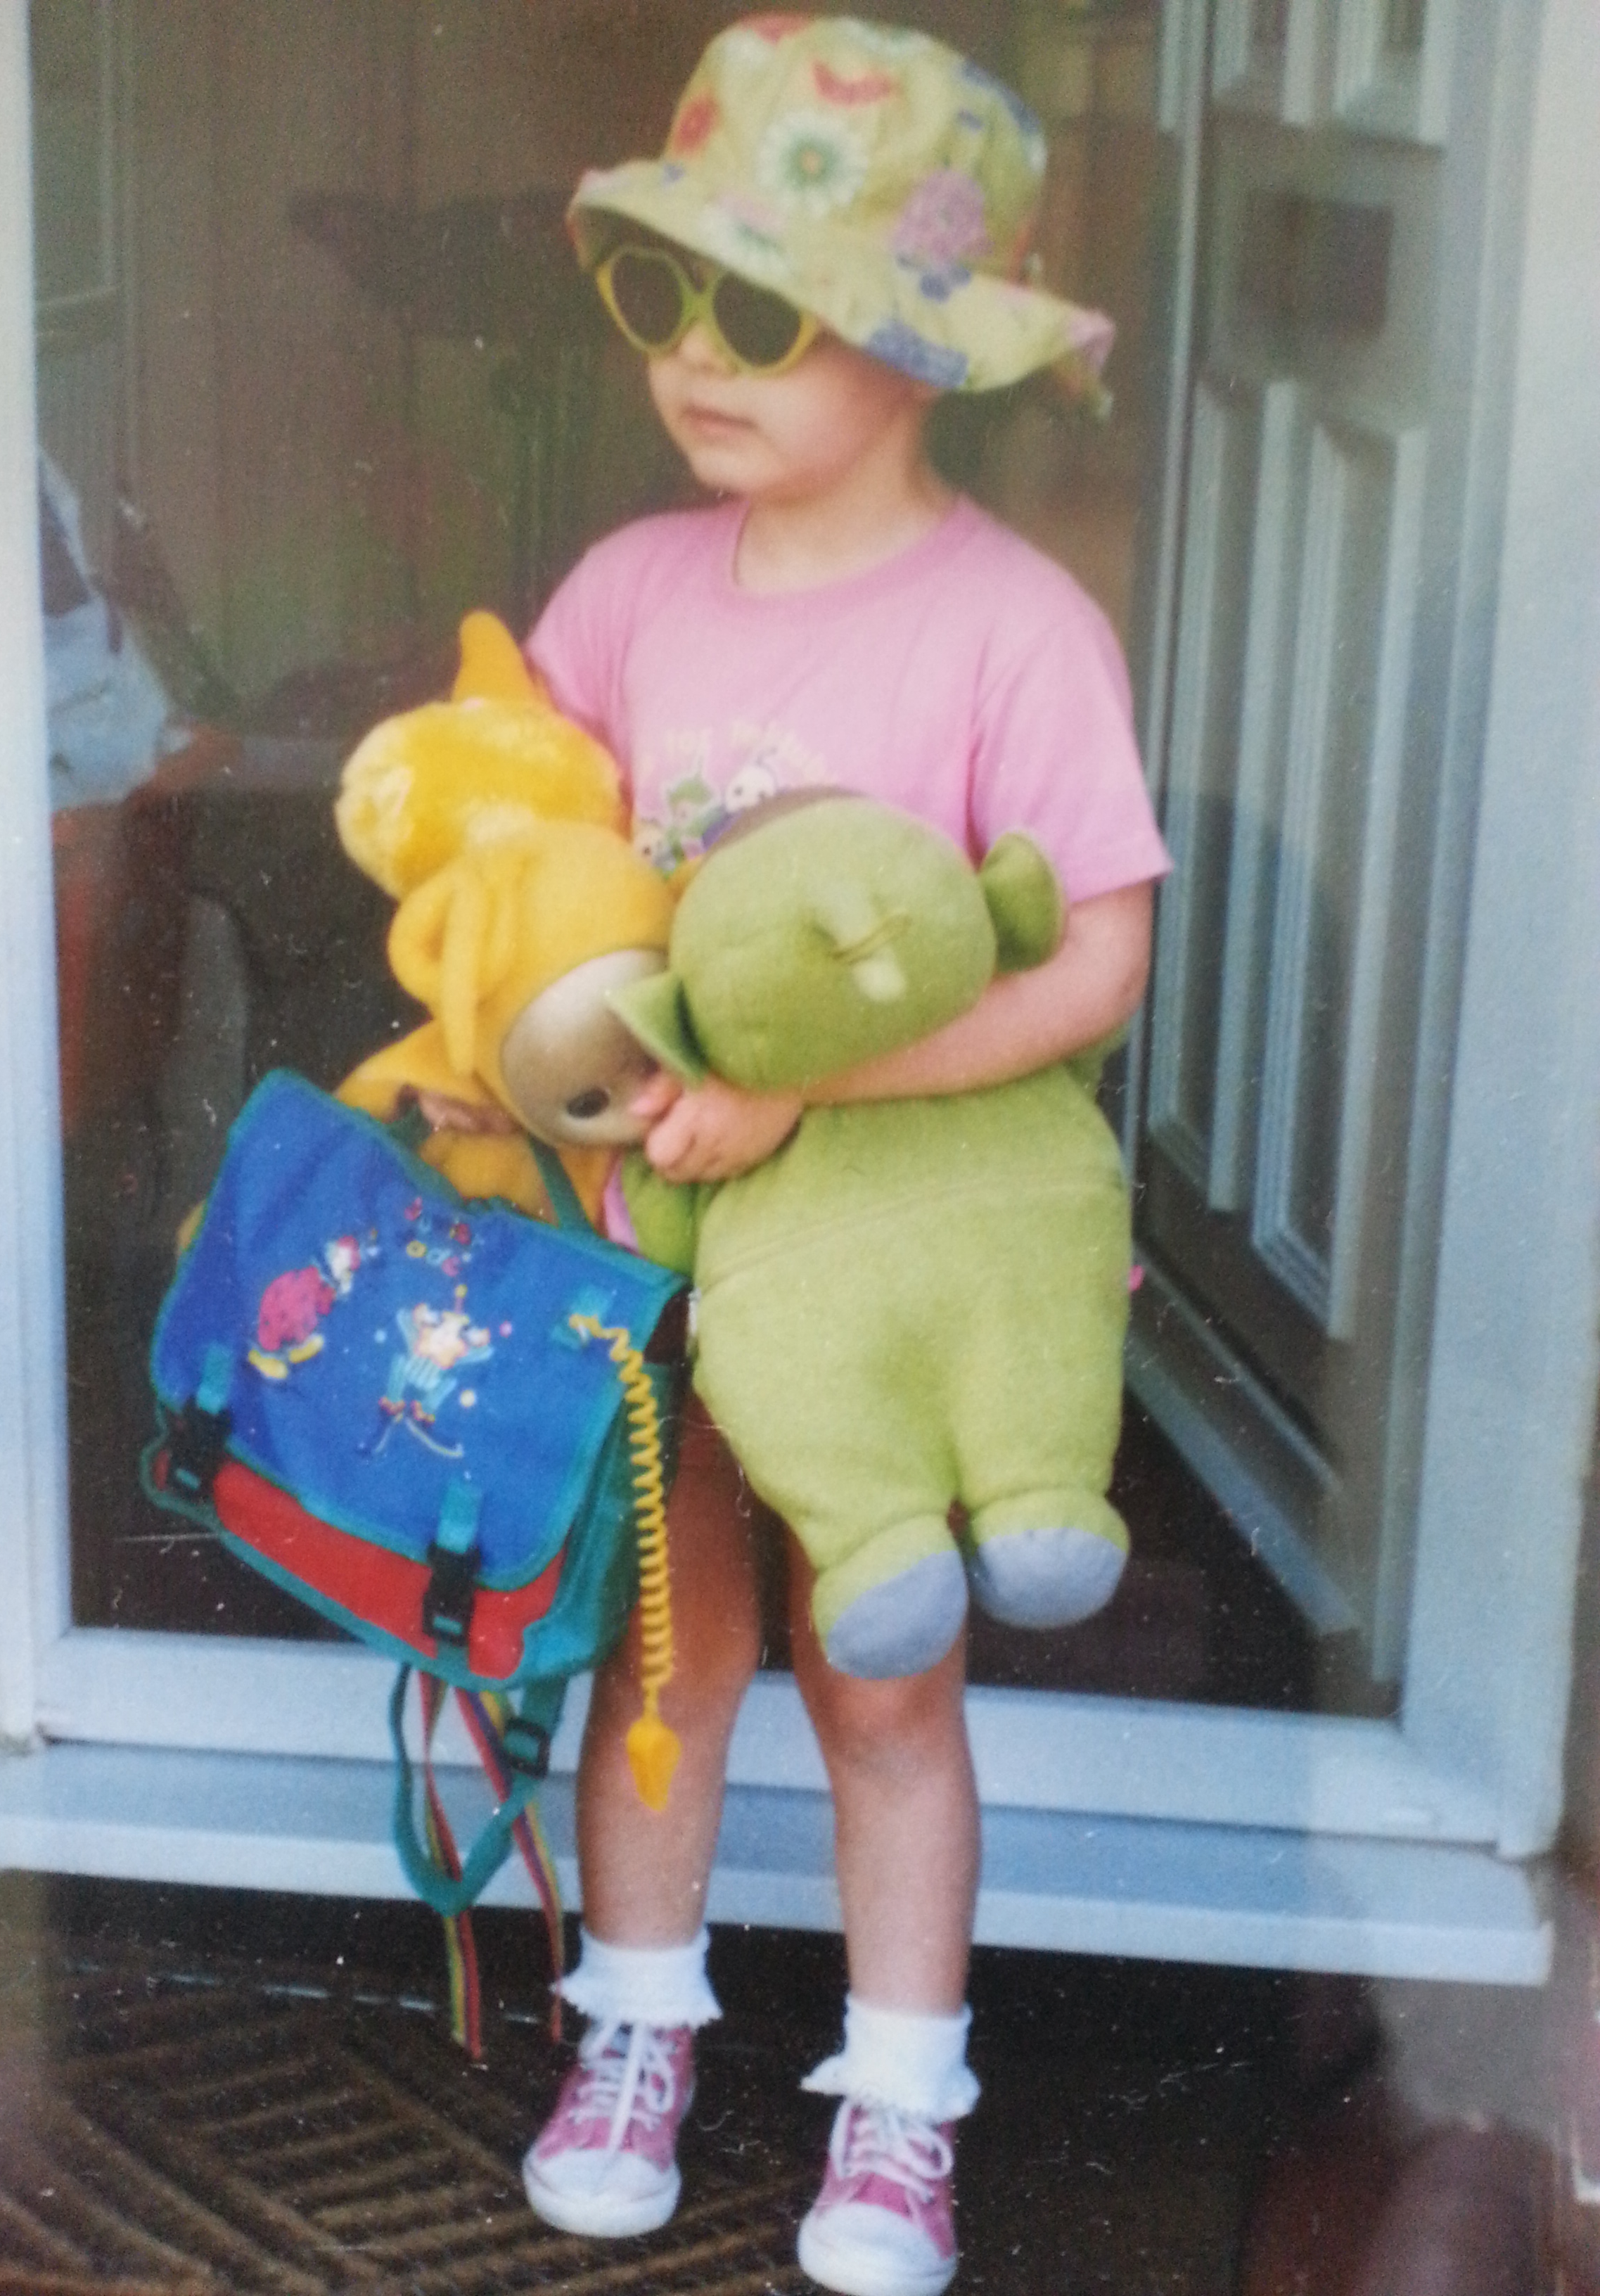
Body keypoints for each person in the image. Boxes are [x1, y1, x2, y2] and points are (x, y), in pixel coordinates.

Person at [511, 20, 1171, 2295]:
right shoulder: (628, 594)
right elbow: (539, 881)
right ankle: (634, 2027)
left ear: (923, 349)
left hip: (895, 1269)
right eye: (663, 295)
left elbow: (1096, 960)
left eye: (764, 309)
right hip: (670, 1247)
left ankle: (900, 2104)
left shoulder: (1013, 629)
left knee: (884, 1680)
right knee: (667, 1656)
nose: (698, 352)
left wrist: (818, 1097)